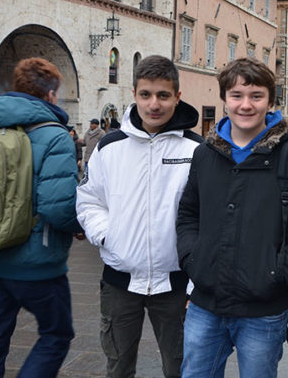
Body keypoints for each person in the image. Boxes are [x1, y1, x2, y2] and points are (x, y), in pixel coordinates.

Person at [176, 58, 288, 378]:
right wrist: (193, 259)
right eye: (237, 95)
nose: (245, 105)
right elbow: (188, 214)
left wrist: (278, 271)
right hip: (205, 304)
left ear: (270, 101)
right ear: (224, 99)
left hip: (264, 309)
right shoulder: (204, 154)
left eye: (256, 96)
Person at [76, 55, 203, 378]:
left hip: (176, 284)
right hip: (120, 282)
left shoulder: (196, 151)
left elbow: (209, 214)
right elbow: (89, 200)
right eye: (146, 94)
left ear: (177, 96)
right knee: (118, 368)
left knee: (181, 369)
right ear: (134, 94)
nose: (154, 104)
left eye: (163, 95)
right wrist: (107, 234)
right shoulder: (110, 146)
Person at [0, 57, 81, 378]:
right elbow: (58, 207)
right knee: (56, 334)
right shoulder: (55, 135)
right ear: (49, 95)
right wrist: (79, 226)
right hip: (37, 263)